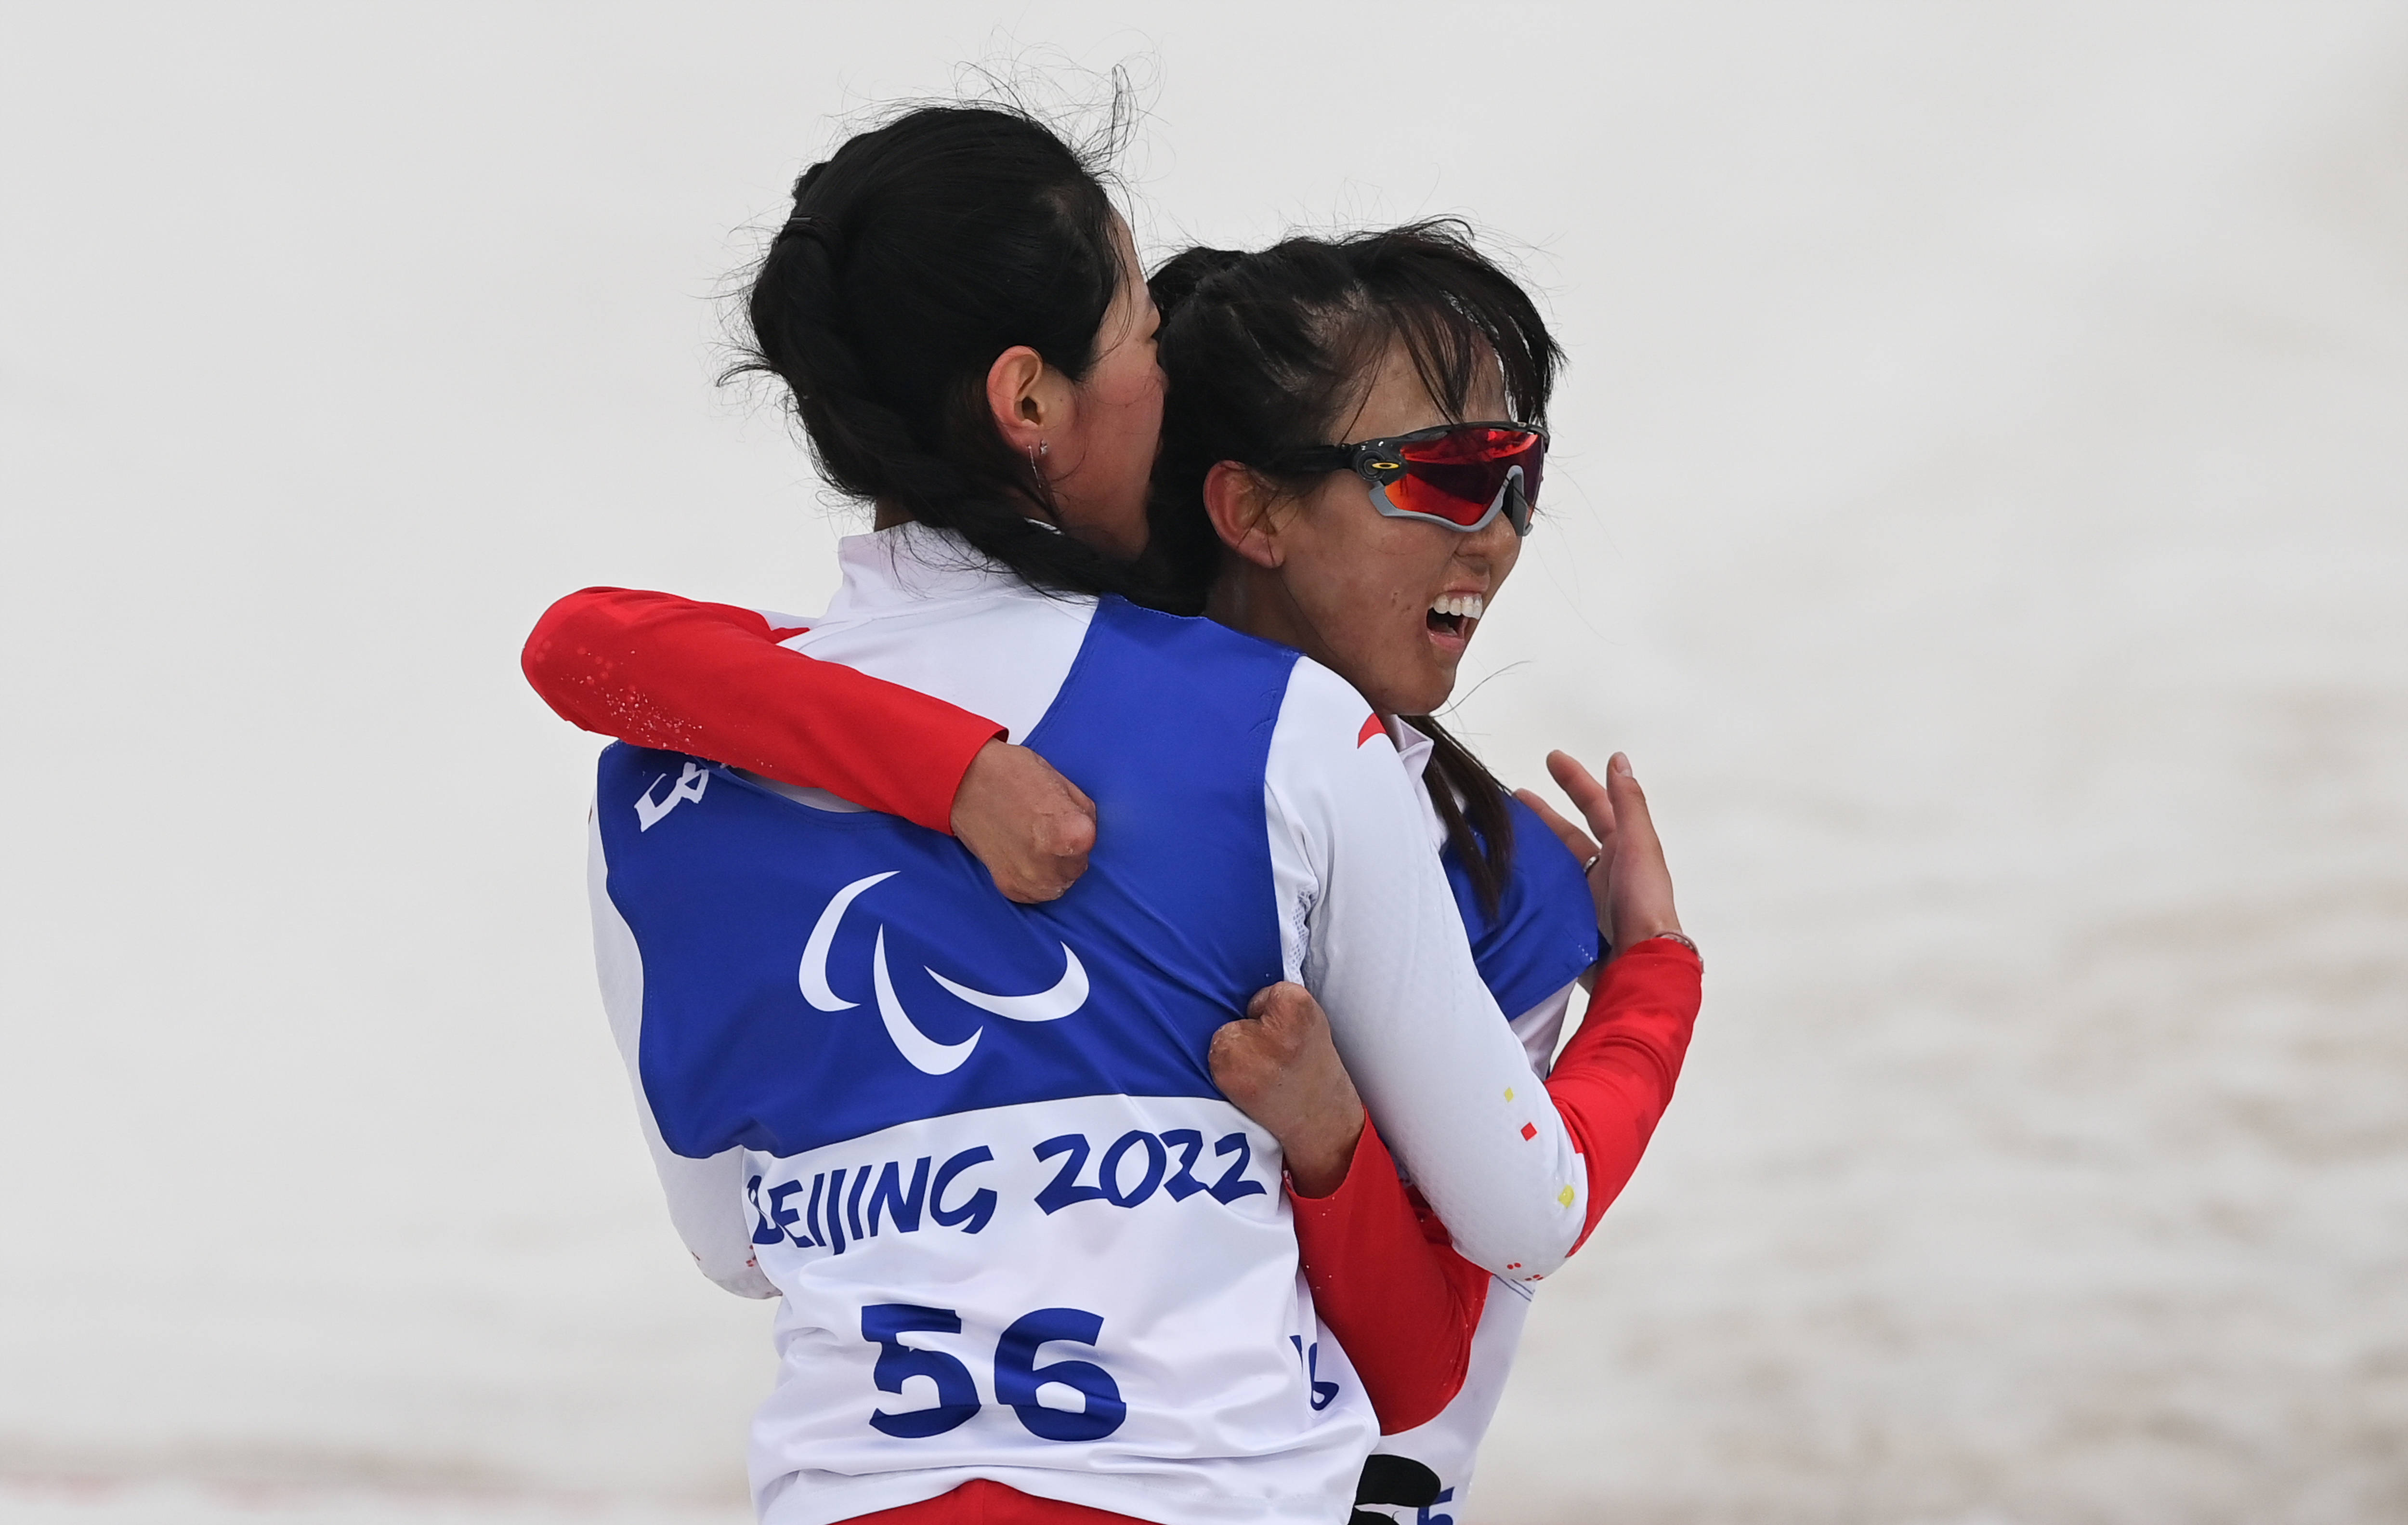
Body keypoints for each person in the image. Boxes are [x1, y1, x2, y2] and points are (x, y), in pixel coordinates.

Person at [534, 206, 1702, 1521]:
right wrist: (1655, 980)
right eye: (1438, 476)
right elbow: (1455, 1327)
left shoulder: (1439, 848)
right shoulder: (1396, 826)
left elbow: (596, 654)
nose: (1495, 531)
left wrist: (947, 769)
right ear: (1243, 506)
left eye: (1519, 477)